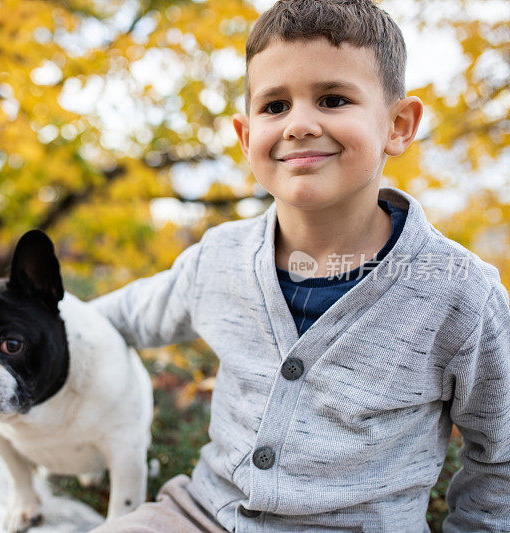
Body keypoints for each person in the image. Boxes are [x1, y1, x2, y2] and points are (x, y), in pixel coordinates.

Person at [88, 0, 510, 531]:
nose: (300, 124)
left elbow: (501, 457)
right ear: (245, 138)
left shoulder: (462, 294)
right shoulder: (217, 258)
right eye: (274, 106)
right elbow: (108, 319)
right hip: (201, 516)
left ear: (398, 125)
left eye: (333, 99)